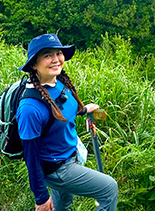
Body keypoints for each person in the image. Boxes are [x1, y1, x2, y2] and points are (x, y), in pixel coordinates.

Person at [16, 33, 118, 211]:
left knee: (62, 205)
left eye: (58, 53)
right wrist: (41, 198)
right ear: (34, 64)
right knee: (108, 188)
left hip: (68, 155)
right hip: (57, 168)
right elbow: (31, 157)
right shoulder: (30, 108)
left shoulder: (58, 83)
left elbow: (62, 109)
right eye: (47, 55)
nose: (56, 60)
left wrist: (84, 110)